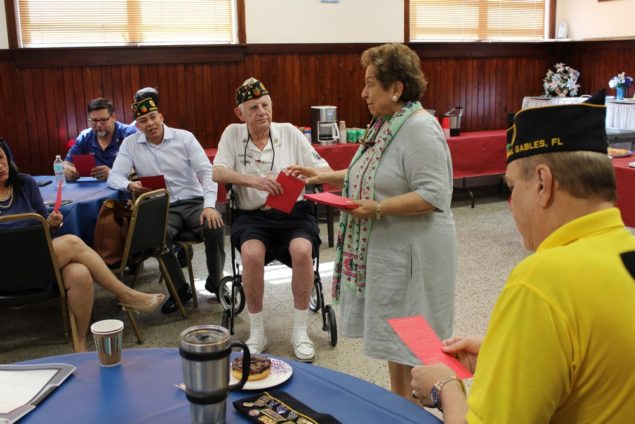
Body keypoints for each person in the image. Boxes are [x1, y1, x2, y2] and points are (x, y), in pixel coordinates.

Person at [410, 90, 635, 422]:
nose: (510, 204)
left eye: (513, 188)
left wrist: (445, 387)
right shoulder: (623, 252)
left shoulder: (543, 280)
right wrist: (501, 354)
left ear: (543, 183)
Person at [289, 43, 457, 396]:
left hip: (416, 256)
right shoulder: (386, 124)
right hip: (392, 252)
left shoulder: (419, 128)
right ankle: (401, 406)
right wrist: (321, 176)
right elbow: (364, 174)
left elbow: (434, 195)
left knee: (419, 342)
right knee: (397, 340)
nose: (363, 93)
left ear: (396, 88)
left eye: (370, 84)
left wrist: (377, 209)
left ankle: (425, 410)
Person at [0, 139, 164, 352]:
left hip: (39, 264)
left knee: (80, 274)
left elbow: (44, 228)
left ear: (8, 159)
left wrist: (51, 224)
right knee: (72, 243)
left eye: (1, 159)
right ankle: (125, 295)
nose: (0, 167)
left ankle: (80, 345)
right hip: (5, 271)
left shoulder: (25, 183)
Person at [212, 78, 332, 362]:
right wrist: (254, 181)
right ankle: (257, 332)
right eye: (253, 108)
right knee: (252, 255)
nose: (261, 112)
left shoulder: (289, 132)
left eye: (265, 105)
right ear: (240, 114)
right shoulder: (232, 134)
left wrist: (306, 173)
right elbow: (218, 172)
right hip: (252, 217)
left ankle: (300, 331)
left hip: (294, 214)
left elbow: (323, 168)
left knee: (302, 252)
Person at [108, 87, 226, 314]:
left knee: (215, 224)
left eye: (153, 117)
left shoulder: (184, 137)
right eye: (143, 120)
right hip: (162, 206)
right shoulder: (130, 144)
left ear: (161, 117)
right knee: (154, 237)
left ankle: (215, 281)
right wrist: (130, 185)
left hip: (193, 201)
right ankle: (180, 290)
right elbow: (114, 176)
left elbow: (206, 172)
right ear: (138, 126)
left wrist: (210, 206)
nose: (149, 123)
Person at [64, 98, 137, 181]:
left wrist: (112, 174)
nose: (98, 125)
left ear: (113, 117)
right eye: (94, 121)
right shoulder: (84, 137)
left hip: (125, 190)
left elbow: (141, 170)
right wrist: (68, 170)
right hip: (92, 190)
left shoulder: (130, 135)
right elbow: (66, 164)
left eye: (103, 120)